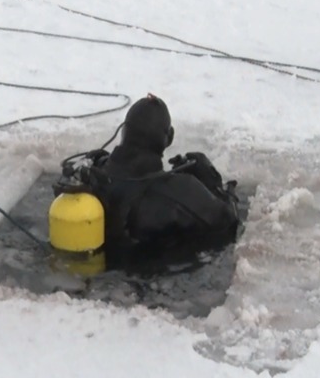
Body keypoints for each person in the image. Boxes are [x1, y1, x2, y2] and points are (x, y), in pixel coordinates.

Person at [58, 94, 240, 264]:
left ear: (123, 131)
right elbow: (228, 221)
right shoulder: (181, 190)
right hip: (149, 278)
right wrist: (210, 180)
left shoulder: (92, 174)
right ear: (169, 138)